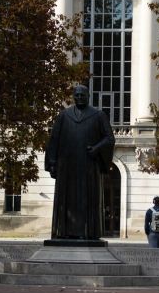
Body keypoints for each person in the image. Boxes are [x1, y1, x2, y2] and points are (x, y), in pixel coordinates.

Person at [44, 84, 115, 241]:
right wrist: (53, 162)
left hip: (88, 165)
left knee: (87, 199)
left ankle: (88, 232)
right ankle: (64, 232)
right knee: (66, 198)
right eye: (77, 95)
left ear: (88, 96)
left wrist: (96, 149)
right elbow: (54, 139)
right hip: (67, 166)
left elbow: (109, 138)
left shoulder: (98, 115)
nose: (80, 97)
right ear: (73, 97)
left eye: (83, 95)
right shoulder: (64, 115)